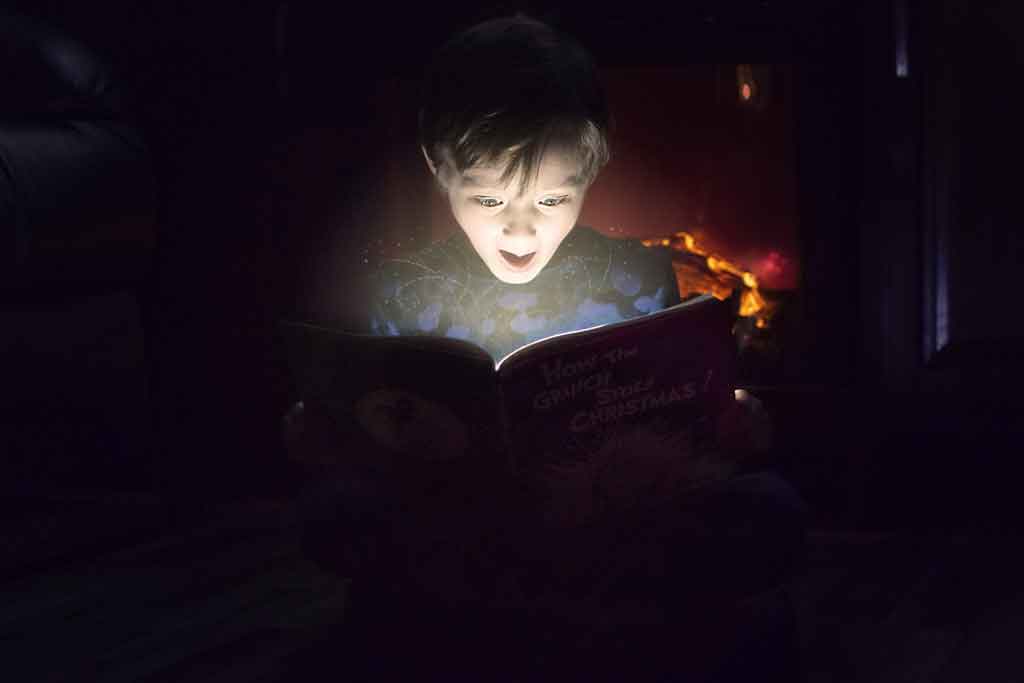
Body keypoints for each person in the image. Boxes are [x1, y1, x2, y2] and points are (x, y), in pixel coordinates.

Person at [284, 13, 806, 680]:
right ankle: (572, 625)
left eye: (554, 197)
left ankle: (488, 627)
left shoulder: (636, 280)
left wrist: (732, 424)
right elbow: (378, 440)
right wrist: (325, 431)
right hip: (460, 529)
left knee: (768, 511)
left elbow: (685, 427)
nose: (522, 230)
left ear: (594, 170)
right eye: (490, 198)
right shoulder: (404, 296)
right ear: (438, 170)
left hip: (608, 524)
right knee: (334, 514)